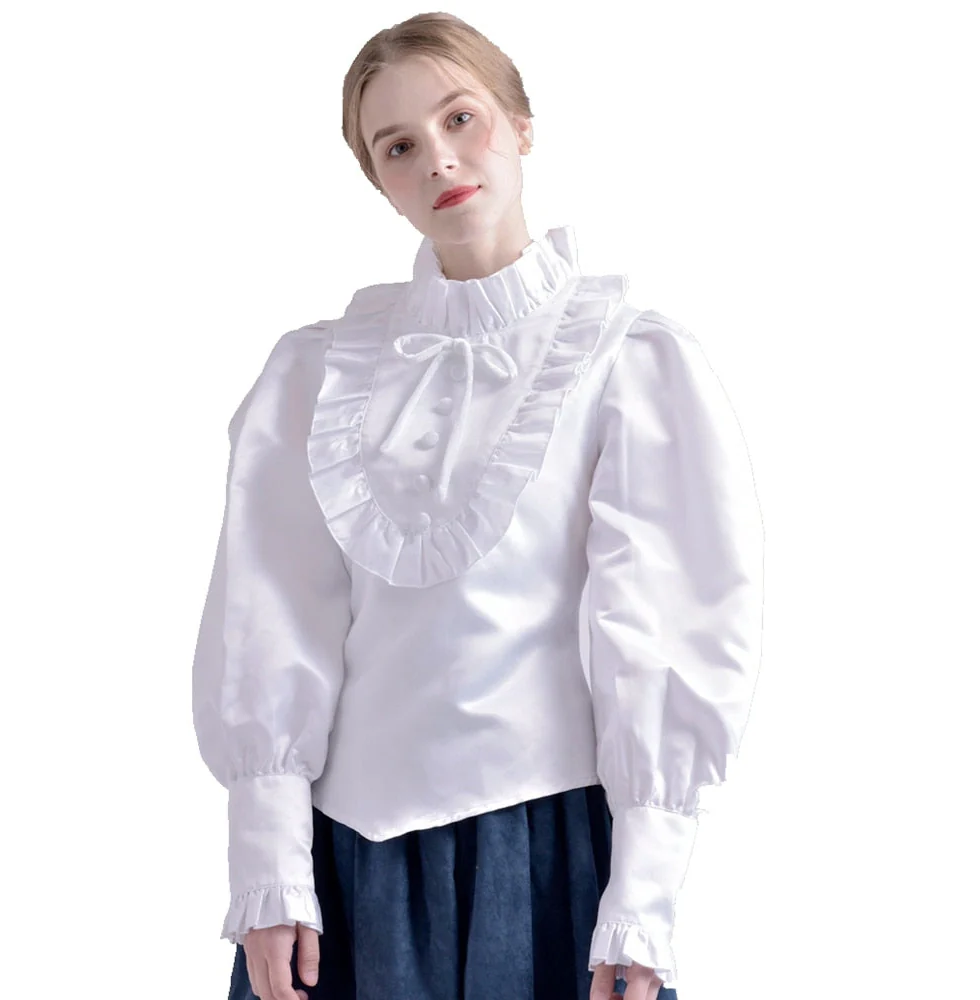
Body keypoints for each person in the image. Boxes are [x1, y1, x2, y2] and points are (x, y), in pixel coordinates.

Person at [191, 11, 765, 1000]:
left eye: (461, 118)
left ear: (522, 124)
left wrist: (643, 894)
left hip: (547, 859)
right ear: (378, 181)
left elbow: (664, 634)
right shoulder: (316, 373)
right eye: (398, 146)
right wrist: (270, 866)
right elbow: (270, 618)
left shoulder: (627, 363)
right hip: (343, 868)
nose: (439, 159)